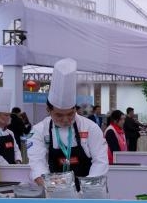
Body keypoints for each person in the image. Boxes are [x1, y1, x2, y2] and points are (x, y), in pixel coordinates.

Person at [28, 58, 109, 190]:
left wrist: (86, 190)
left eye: (70, 114)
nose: (66, 119)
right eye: (59, 115)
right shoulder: (38, 131)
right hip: (55, 192)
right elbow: (37, 163)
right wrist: (51, 188)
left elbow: (100, 161)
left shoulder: (90, 127)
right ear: (49, 110)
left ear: (75, 109)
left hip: (89, 192)